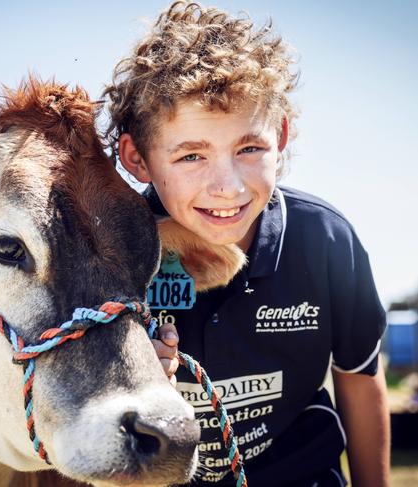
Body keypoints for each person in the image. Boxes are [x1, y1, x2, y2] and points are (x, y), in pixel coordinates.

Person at [104, 2, 389, 486]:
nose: (228, 187)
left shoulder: (323, 238)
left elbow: (360, 380)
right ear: (137, 159)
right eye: (191, 155)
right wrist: (120, 380)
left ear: (280, 135)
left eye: (249, 148)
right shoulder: (107, 255)